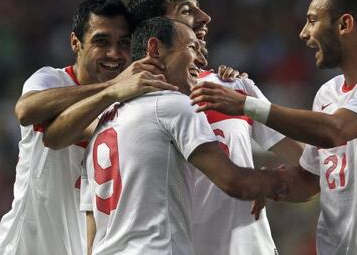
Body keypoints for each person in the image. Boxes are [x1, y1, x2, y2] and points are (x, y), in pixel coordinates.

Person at [190, 0, 357, 255]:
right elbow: (309, 181)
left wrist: (248, 105)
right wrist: (266, 183)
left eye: (313, 20)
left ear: (344, 25)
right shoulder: (327, 93)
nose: (304, 33)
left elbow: (335, 131)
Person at [81, 17, 288, 255]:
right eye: (191, 47)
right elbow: (235, 183)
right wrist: (273, 181)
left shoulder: (103, 123)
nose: (201, 59)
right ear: (155, 48)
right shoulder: (174, 105)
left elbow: (92, 227)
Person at [128, 0, 303, 255]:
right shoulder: (127, 110)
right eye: (187, 11)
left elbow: (305, 158)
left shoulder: (234, 87)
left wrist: (270, 182)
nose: (205, 17)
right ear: (156, 32)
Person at [0, 0, 176, 255]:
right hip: (27, 246)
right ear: (75, 42)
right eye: (101, 41)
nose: (114, 53)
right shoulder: (50, 81)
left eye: (123, 43)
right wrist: (112, 87)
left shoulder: (133, 101)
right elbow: (25, 111)